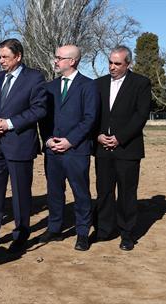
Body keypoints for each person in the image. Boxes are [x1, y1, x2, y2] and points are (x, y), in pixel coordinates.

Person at [0, 38, 47, 253]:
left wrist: (9, 124)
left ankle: (21, 236)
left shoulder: (34, 78)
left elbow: (39, 109)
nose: (1, 60)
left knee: (21, 194)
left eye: (5, 56)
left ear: (18, 56)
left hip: (20, 145)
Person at [38, 45, 99, 251]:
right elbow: (43, 118)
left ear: (72, 61)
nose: (55, 61)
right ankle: (54, 228)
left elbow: (90, 118)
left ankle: (82, 232)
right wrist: (47, 140)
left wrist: (70, 141)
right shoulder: (49, 87)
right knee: (54, 192)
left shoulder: (88, 86)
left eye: (59, 57)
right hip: (52, 150)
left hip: (76, 150)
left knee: (81, 193)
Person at [94, 45, 151, 251]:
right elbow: (93, 114)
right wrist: (97, 135)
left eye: (117, 63)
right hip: (102, 147)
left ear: (128, 64)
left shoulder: (141, 83)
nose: (112, 67)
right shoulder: (98, 84)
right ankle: (104, 229)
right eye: (110, 62)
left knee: (127, 193)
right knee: (104, 191)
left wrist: (119, 138)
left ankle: (127, 233)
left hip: (128, 148)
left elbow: (141, 115)